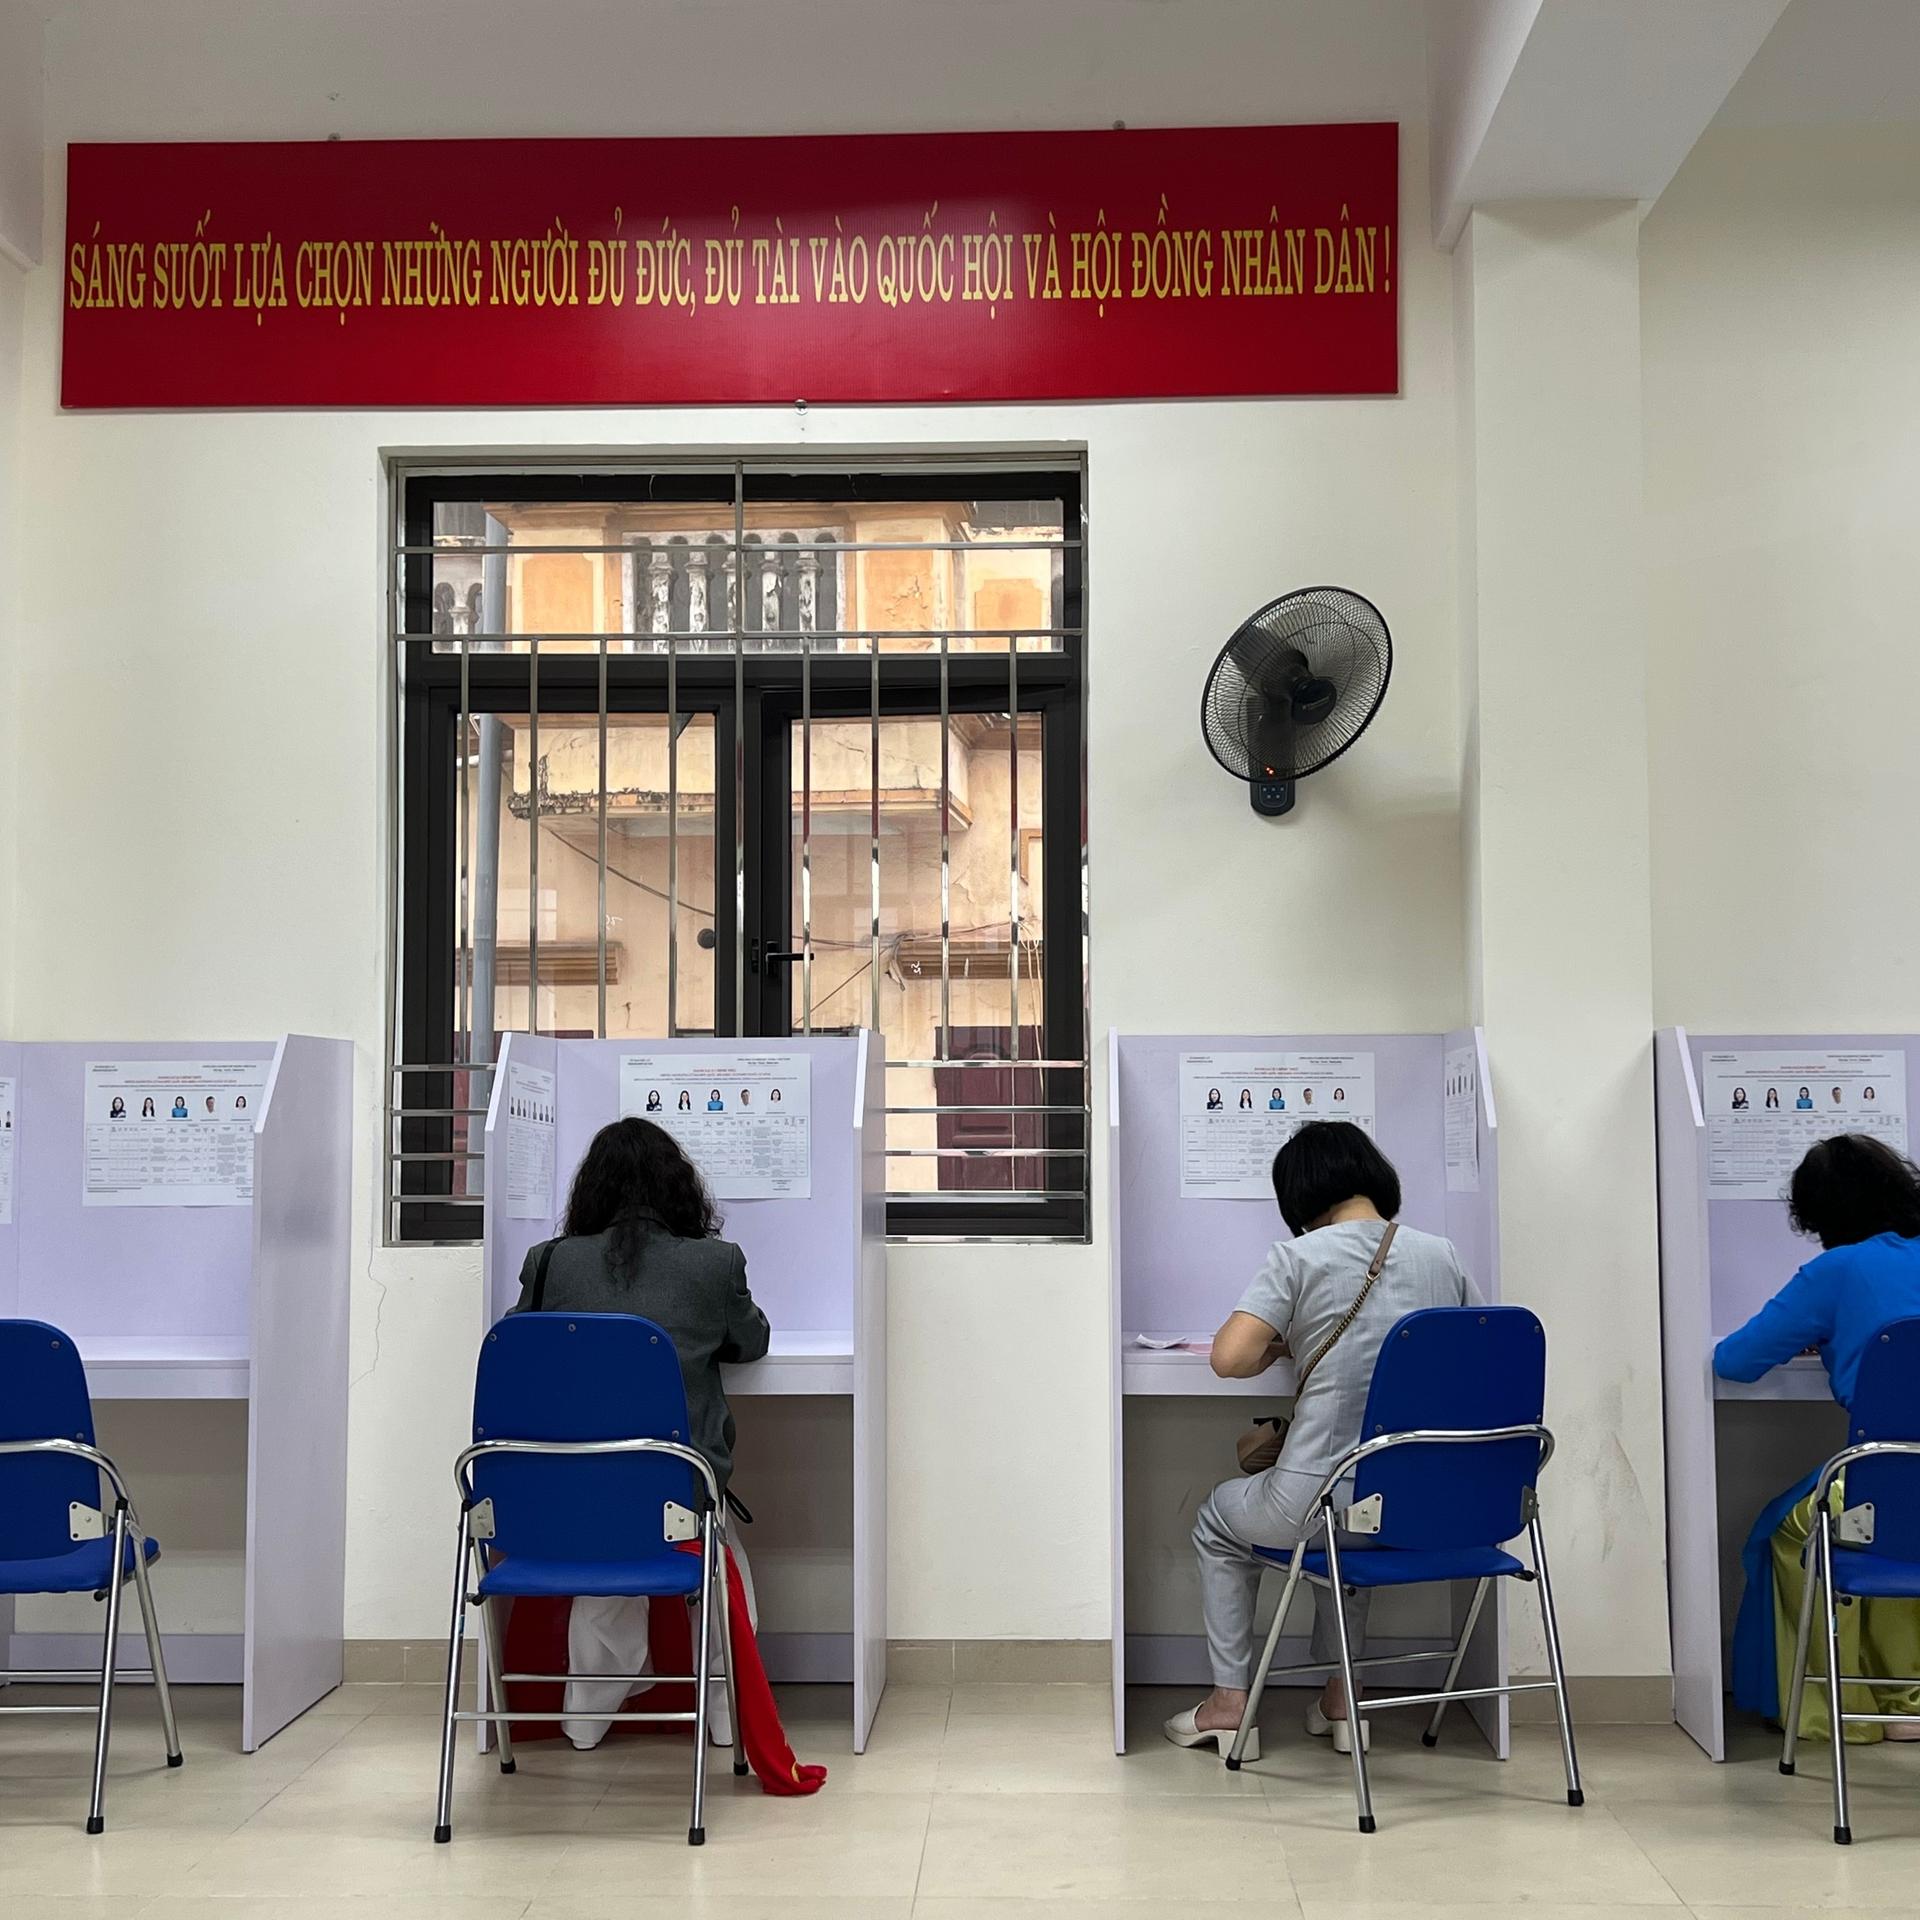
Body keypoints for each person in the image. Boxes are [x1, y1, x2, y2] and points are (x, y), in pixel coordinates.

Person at [1165, 1121, 1470, 1760]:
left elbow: (1228, 1358)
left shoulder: (1299, 1257)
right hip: (1420, 1504)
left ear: (1300, 1195)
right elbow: (1469, 1355)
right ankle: (1341, 1698)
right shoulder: (1440, 1254)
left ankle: (1227, 1705)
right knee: (1352, 1519)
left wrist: (1288, 1341)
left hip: (1315, 1505)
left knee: (1221, 1521)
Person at [511, 1117, 771, 1750]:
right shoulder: (714, 1264)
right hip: (678, 1494)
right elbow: (752, 1342)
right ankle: (725, 1719)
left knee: (606, 1551)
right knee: (714, 1554)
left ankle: (584, 1721)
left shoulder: (549, 1264)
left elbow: (520, 1348)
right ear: (679, 1189)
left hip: (573, 1493)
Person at [1715, 1134, 1920, 1745]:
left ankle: (1845, 1706)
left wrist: (1826, 1335)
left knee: (1795, 1531)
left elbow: (1737, 1360)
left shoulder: (1838, 1269)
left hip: (1886, 1485)